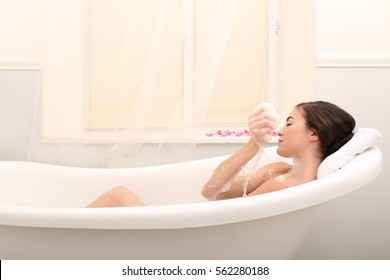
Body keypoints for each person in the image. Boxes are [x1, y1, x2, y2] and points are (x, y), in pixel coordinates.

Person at [87, 101, 356, 207]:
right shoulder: (279, 172)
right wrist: (255, 144)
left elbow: (224, 208)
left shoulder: (290, 186)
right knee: (119, 193)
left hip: (200, 254)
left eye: (289, 122)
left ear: (314, 133)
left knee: (119, 194)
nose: (281, 130)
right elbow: (212, 191)